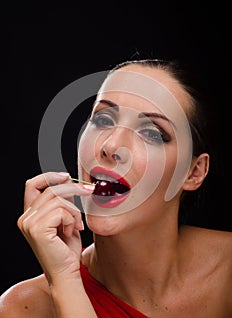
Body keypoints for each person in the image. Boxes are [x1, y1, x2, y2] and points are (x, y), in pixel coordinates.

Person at [0, 59, 231, 318]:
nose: (111, 146)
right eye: (103, 119)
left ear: (194, 172)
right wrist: (65, 280)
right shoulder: (21, 309)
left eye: (152, 133)